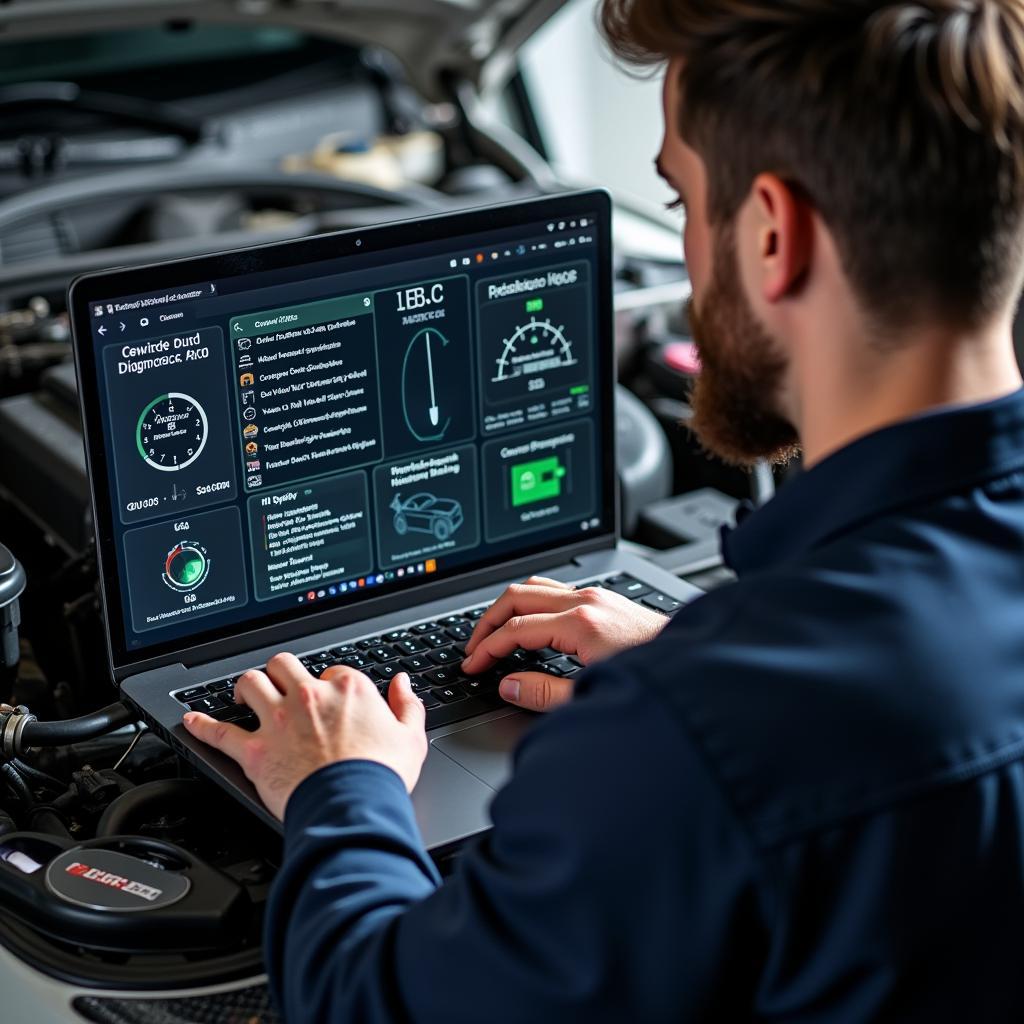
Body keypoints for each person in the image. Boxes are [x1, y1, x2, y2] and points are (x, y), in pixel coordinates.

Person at [184, 1, 1024, 1019]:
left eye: (677, 200)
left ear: (772, 232)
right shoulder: (759, 694)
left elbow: (375, 1003)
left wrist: (342, 786)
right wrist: (703, 657)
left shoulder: (699, 738)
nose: (681, 246)